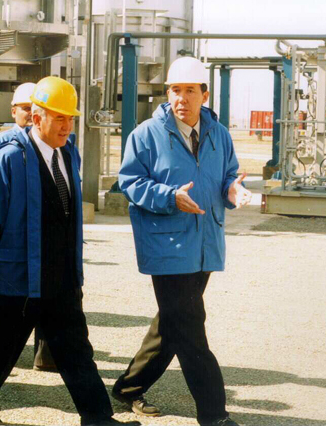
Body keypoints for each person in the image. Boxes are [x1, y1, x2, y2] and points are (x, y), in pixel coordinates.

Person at [0, 76, 138, 426]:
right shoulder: (9, 157)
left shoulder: (68, 153)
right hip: (19, 275)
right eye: (59, 118)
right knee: (2, 347)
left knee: (77, 349)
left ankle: (97, 418)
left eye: (70, 118)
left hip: (62, 276)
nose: (67, 126)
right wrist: (10, 253)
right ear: (36, 118)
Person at [113, 56, 252, 426]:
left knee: (172, 324)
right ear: (167, 93)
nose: (182, 98)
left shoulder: (218, 134)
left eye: (190, 91)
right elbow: (130, 182)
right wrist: (169, 196)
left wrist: (234, 190)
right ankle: (214, 415)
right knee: (190, 329)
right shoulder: (146, 135)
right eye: (176, 90)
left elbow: (228, 175)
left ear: (204, 95)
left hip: (205, 245)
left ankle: (128, 388)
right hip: (167, 247)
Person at [0, 82, 57, 371]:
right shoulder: (1, 145)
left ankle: (46, 354)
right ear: (13, 111)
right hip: (13, 235)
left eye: (35, 108)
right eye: (25, 108)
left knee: (49, 290)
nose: (30, 113)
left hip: (45, 234)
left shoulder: (54, 143)